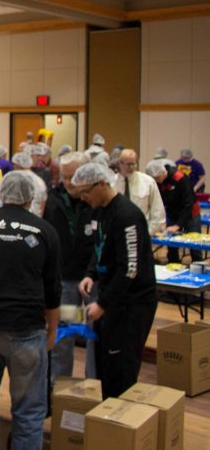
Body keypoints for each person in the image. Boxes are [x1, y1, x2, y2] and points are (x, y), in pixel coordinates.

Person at [0, 172, 61, 450]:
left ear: (2, 194)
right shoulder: (44, 231)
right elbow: (53, 290)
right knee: (28, 410)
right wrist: (52, 330)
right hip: (26, 331)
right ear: (31, 197)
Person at [73, 163, 158, 399]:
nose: (84, 198)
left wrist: (103, 304)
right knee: (107, 366)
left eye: (86, 192)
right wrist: (91, 273)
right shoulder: (99, 210)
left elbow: (129, 269)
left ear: (101, 184)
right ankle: (108, 415)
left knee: (121, 368)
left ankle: (122, 424)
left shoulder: (127, 215)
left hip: (133, 303)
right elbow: (98, 247)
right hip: (112, 297)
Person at [42, 152, 96, 381]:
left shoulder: (96, 201)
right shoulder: (53, 199)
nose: (67, 182)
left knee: (95, 335)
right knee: (63, 334)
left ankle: (95, 384)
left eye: (72, 177)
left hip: (93, 279)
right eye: (63, 177)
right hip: (64, 279)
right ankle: (59, 385)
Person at [147, 159, 202, 263]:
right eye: (154, 179)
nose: (157, 181)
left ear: (163, 172)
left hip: (190, 214)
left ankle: (198, 267)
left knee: (195, 246)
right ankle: (173, 267)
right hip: (173, 213)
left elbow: (188, 205)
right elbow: (159, 203)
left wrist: (178, 225)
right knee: (171, 244)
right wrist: (162, 221)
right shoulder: (158, 182)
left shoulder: (181, 178)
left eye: (158, 178)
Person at [113, 149, 166, 237]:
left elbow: (158, 211)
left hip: (141, 233)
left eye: (134, 163)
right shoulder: (111, 183)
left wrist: (149, 232)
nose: (132, 167)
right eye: (129, 164)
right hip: (117, 234)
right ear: (120, 163)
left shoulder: (148, 182)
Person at [11, 152, 47, 217]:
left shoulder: (18, 180)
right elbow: (42, 203)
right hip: (36, 219)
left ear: (16, 165)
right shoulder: (39, 181)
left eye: (13, 164)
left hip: (23, 218)